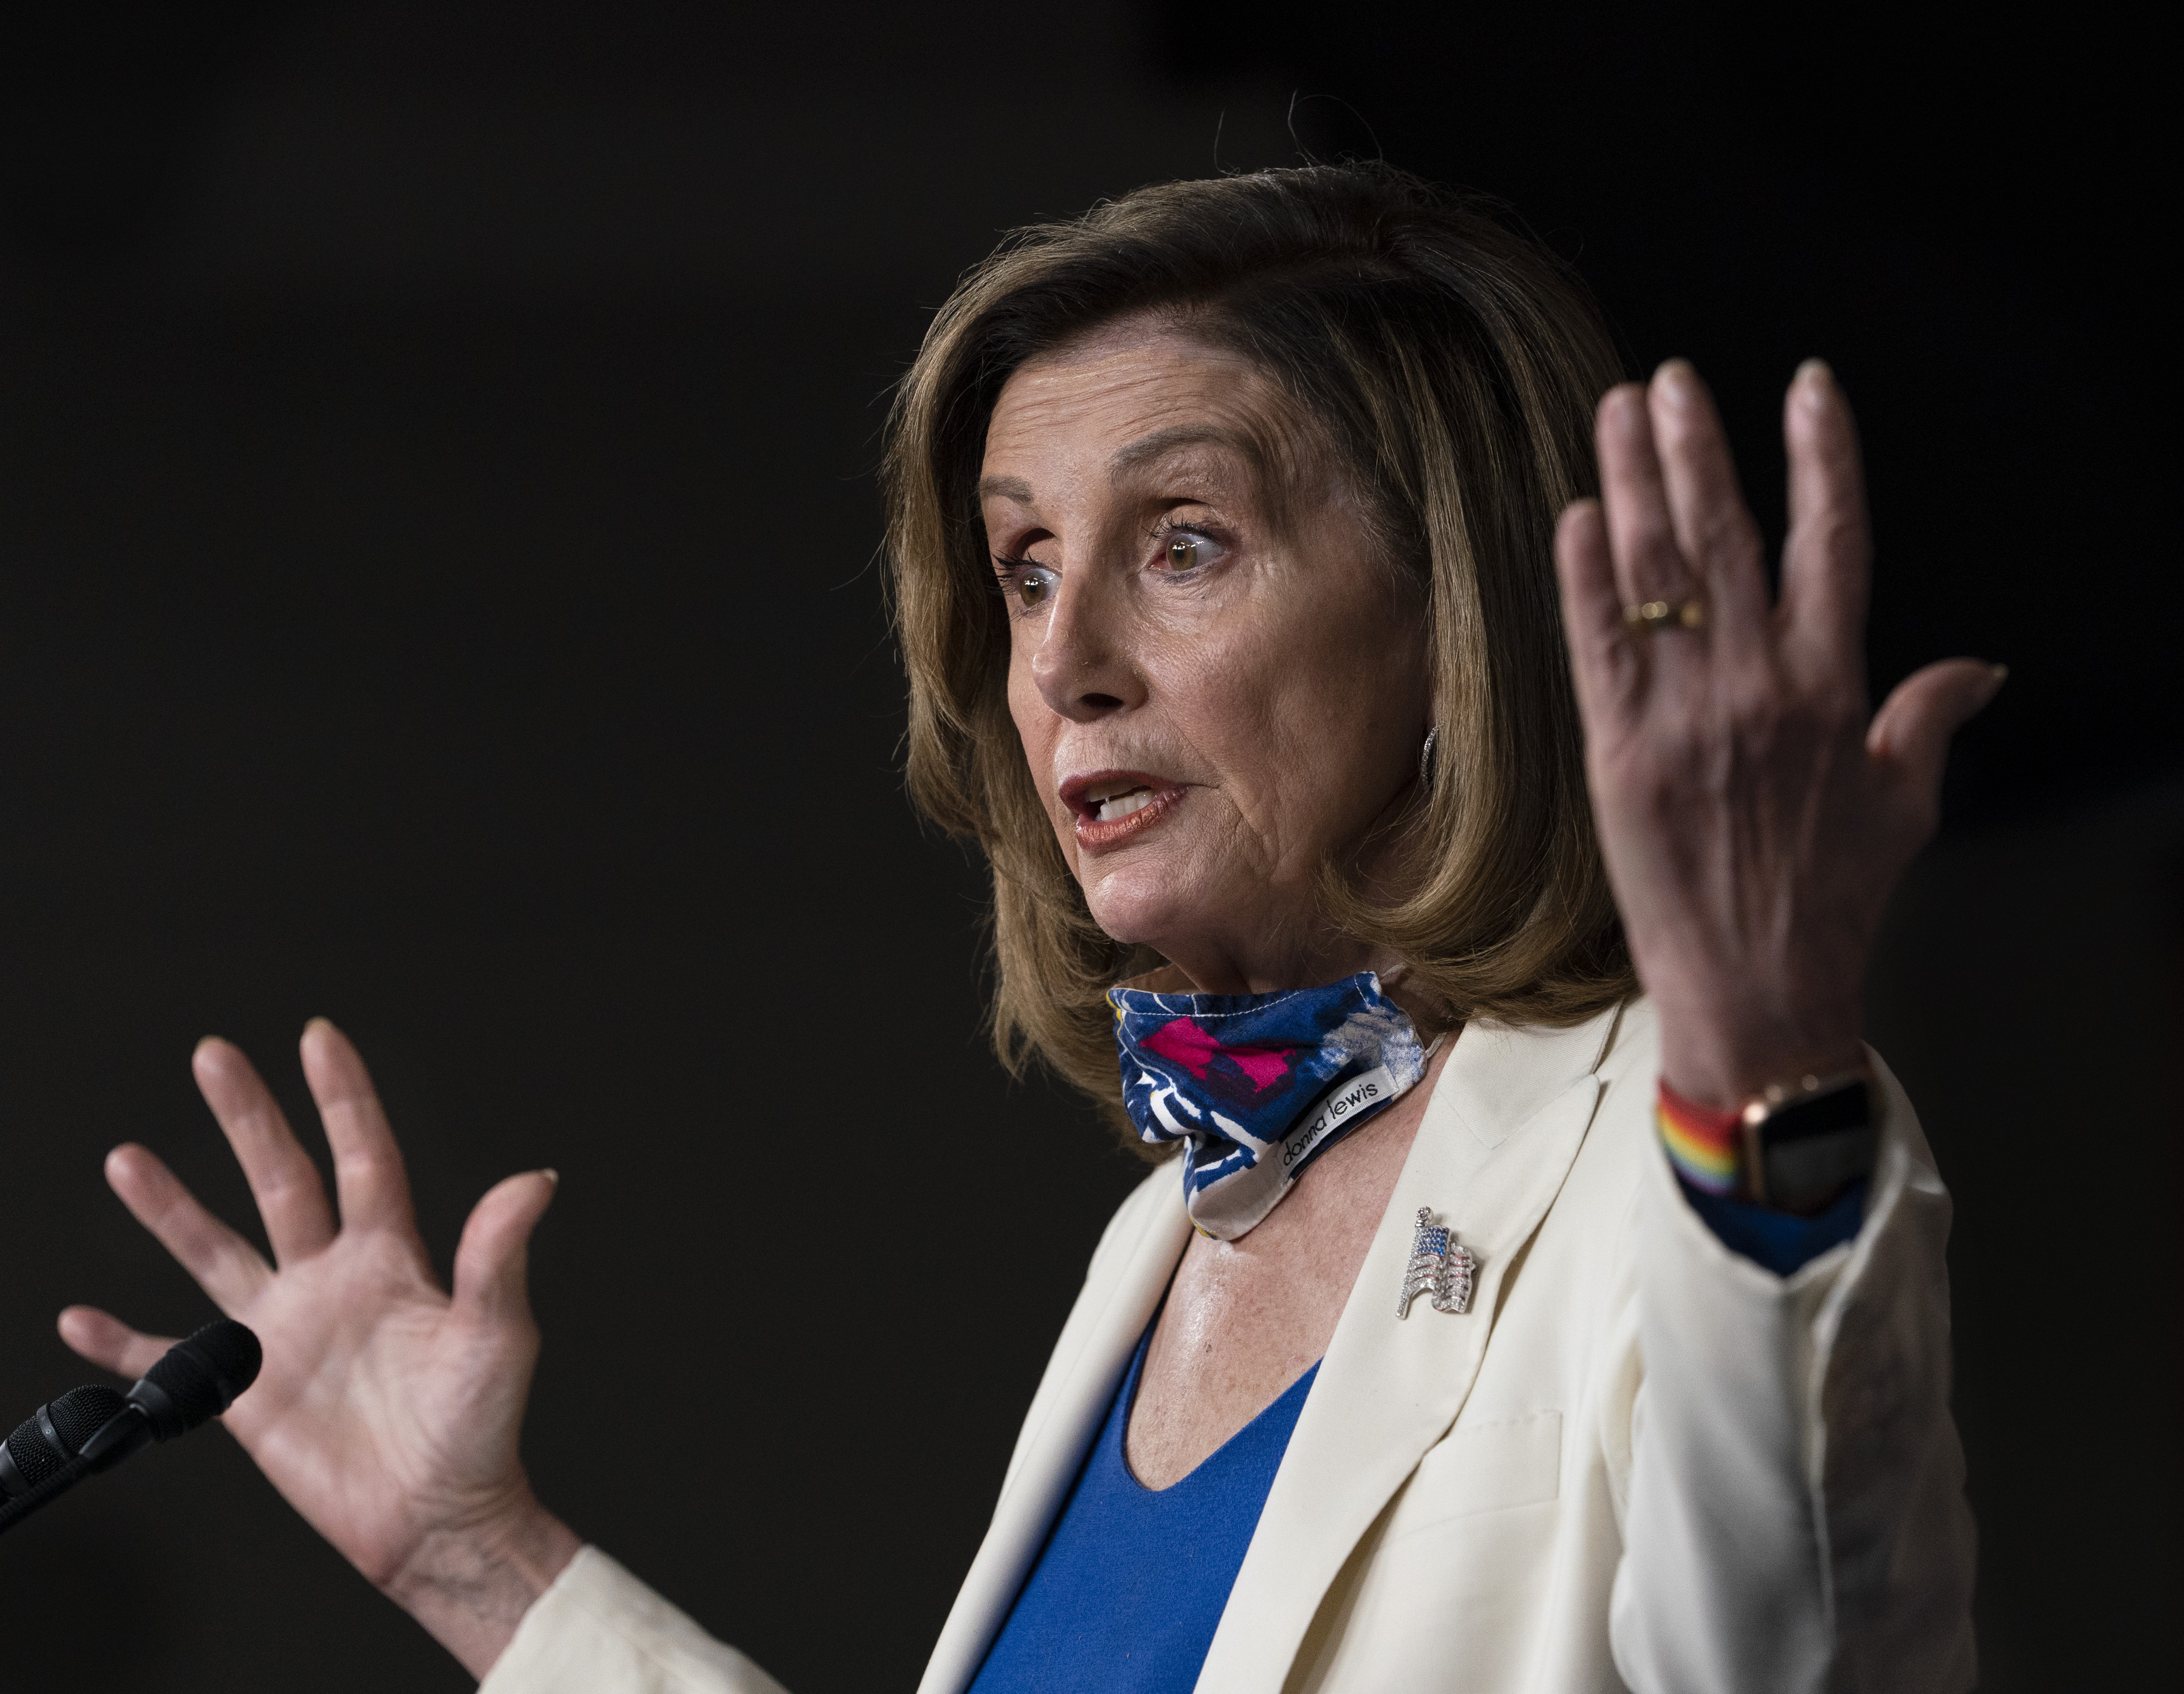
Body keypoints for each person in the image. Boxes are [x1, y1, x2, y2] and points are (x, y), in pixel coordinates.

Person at [59, 164, 1991, 1692]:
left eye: (1184, 544)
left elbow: (1809, 1651)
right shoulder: (1164, 1240)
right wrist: (469, 1551)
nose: (1061, 662)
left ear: (1446, 618)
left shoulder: (1707, 1137)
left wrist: (1760, 1087)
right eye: (1025, 565)